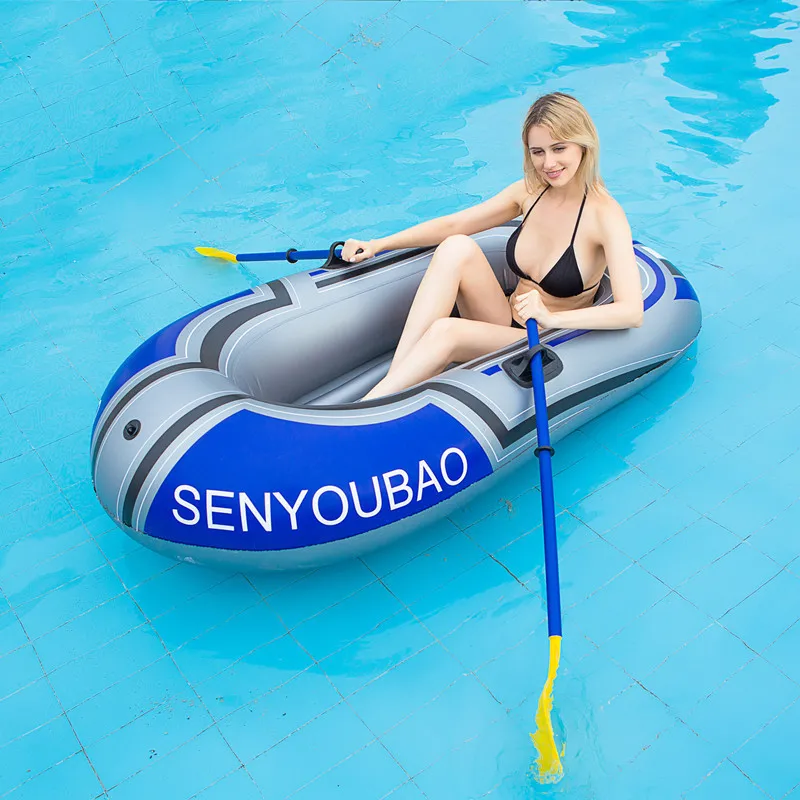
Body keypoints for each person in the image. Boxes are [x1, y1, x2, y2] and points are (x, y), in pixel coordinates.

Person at [341, 92, 644, 401]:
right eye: (538, 152)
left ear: (583, 144)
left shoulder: (605, 215)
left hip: (545, 338)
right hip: (502, 320)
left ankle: (367, 407)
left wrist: (553, 318)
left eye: (559, 148)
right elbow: (455, 224)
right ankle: (394, 384)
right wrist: (379, 244)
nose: (548, 163)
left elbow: (631, 311)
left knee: (447, 331)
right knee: (456, 246)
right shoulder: (530, 192)